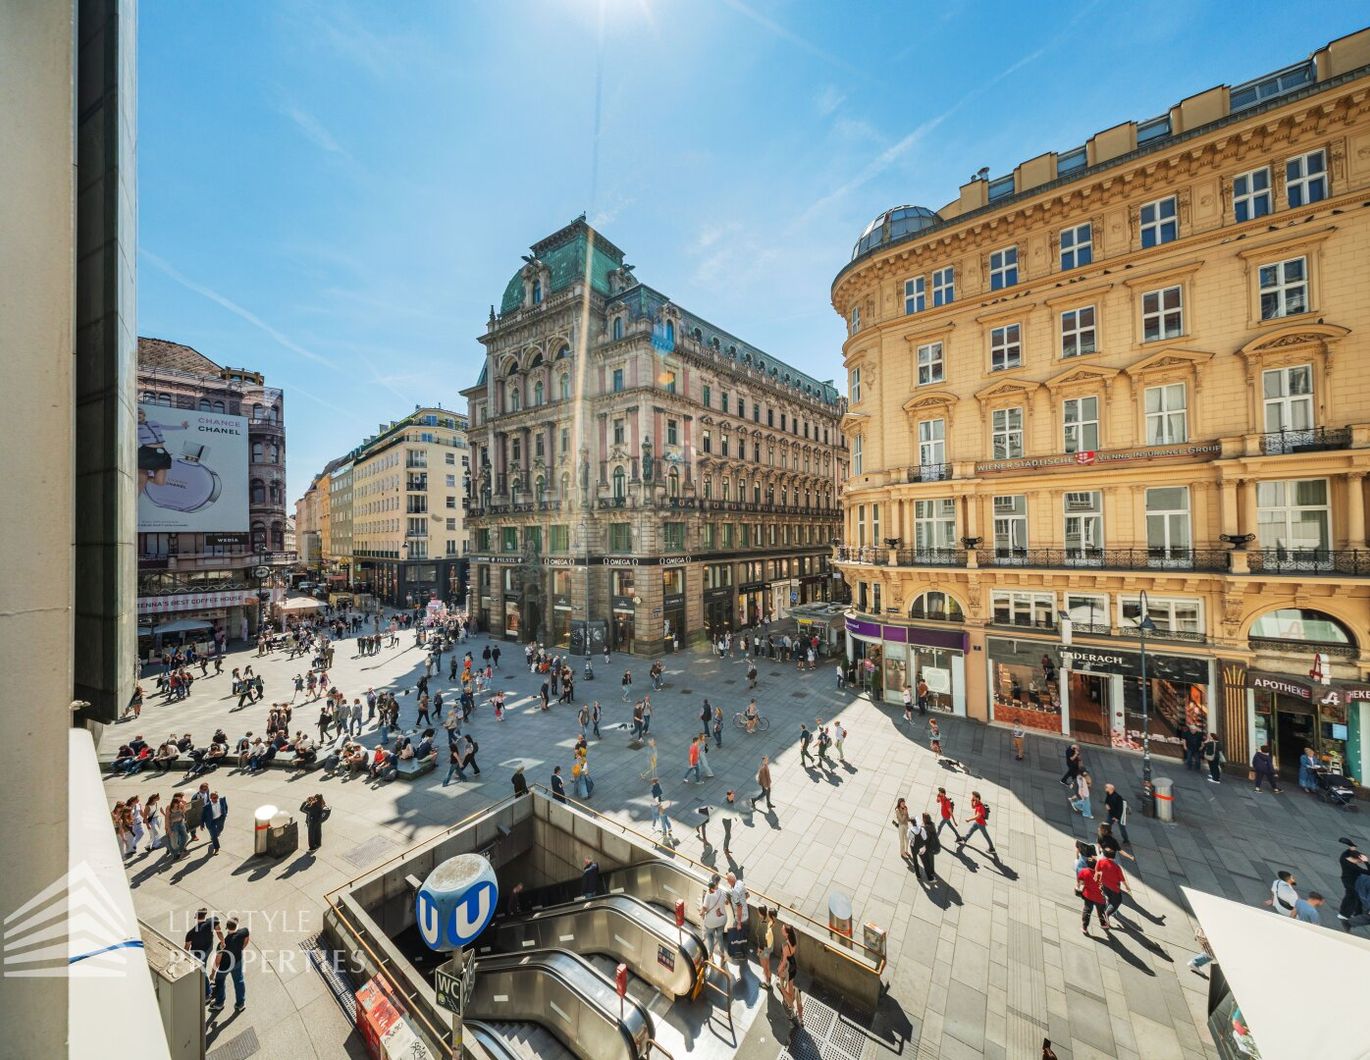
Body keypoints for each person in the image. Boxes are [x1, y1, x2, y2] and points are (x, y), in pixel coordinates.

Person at [209, 917, 250, 1014]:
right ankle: (240, 1004)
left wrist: (213, 973)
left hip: (225, 967)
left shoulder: (222, 944)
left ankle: (219, 1003)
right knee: (239, 981)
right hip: (237, 962)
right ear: (237, 925)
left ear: (227, 928)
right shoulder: (244, 932)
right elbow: (247, 940)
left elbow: (218, 960)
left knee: (219, 982)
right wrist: (241, 948)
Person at [184, 908, 223, 1001]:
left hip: (198, 954)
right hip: (209, 948)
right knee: (202, 968)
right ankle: (206, 986)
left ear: (196, 917)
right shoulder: (212, 921)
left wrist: (184, 958)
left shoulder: (191, 933)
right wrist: (222, 941)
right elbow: (219, 931)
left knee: (202, 971)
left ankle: (208, 994)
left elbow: (186, 948)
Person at [1338, 838, 1370, 924]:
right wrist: (1366, 862)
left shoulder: (1343, 858)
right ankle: (1350, 914)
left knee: (1350, 897)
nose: (1361, 862)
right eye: (1360, 861)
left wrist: (1352, 846)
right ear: (1359, 859)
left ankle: (1347, 913)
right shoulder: (1354, 868)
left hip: (1346, 880)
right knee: (1355, 897)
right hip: (1351, 883)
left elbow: (1350, 850)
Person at [1077, 855, 1110, 935]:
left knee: (1087, 911)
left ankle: (1084, 927)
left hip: (1088, 896)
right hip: (1100, 898)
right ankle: (1103, 924)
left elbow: (1080, 883)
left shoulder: (1084, 871)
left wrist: (1078, 887)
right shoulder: (1101, 874)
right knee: (1101, 911)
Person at [1095, 850, 1130, 924]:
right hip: (1114, 888)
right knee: (1117, 901)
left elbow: (1097, 871)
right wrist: (1127, 887)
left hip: (1104, 884)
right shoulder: (1116, 867)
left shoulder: (1101, 861)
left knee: (1109, 897)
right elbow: (1122, 879)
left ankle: (1108, 908)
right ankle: (1107, 913)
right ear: (1114, 857)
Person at [958, 792, 997, 857]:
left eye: (973, 796)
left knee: (986, 835)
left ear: (977, 797)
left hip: (980, 823)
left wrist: (969, 819)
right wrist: (971, 801)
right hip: (977, 822)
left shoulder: (980, 807)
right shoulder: (977, 802)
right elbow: (973, 807)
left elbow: (978, 816)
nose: (972, 797)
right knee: (971, 830)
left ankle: (992, 848)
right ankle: (965, 839)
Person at [700, 876, 730, 962]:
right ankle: (722, 954)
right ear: (718, 883)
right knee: (720, 937)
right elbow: (727, 902)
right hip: (721, 920)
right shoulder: (722, 892)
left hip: (711, 922)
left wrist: (701, 912)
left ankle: (710, 955)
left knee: (710, 937)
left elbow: (704, 908)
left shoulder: (708, 895)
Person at [202, 791, 228, 856]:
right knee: (214, 835)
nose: (216, 799)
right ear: (210, 798)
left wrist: (225, 813)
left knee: (220, 829)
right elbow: (203, 816)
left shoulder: (222, 800)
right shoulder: (207, 806)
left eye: (217, 797)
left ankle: (215, 835)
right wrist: (202, 824)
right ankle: (216, 848)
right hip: (212, 821)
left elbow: (226, 807)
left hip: (220, 818)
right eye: (214, 798)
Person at [918, 812, 941, 883]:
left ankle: (930, 872)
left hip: (928, 846)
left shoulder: (925, 828)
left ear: (924, 819)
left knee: (927, 860)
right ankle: (932, 871)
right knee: (932, 858)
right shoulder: (932, 824)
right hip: (934, 845)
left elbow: (925, 838)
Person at [893, 798, 911, 862]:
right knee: (902, 840)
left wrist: (911, 820)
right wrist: (905, 812)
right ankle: (902, 853)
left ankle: (906, 850)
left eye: (904, 803)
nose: (904, 804)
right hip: (901, 826)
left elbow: (907, 818)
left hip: (906, 825)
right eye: (902, 803)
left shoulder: (905, 808)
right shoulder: (897, 810)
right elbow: (901, 820)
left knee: (907, 839)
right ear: (899, 803)